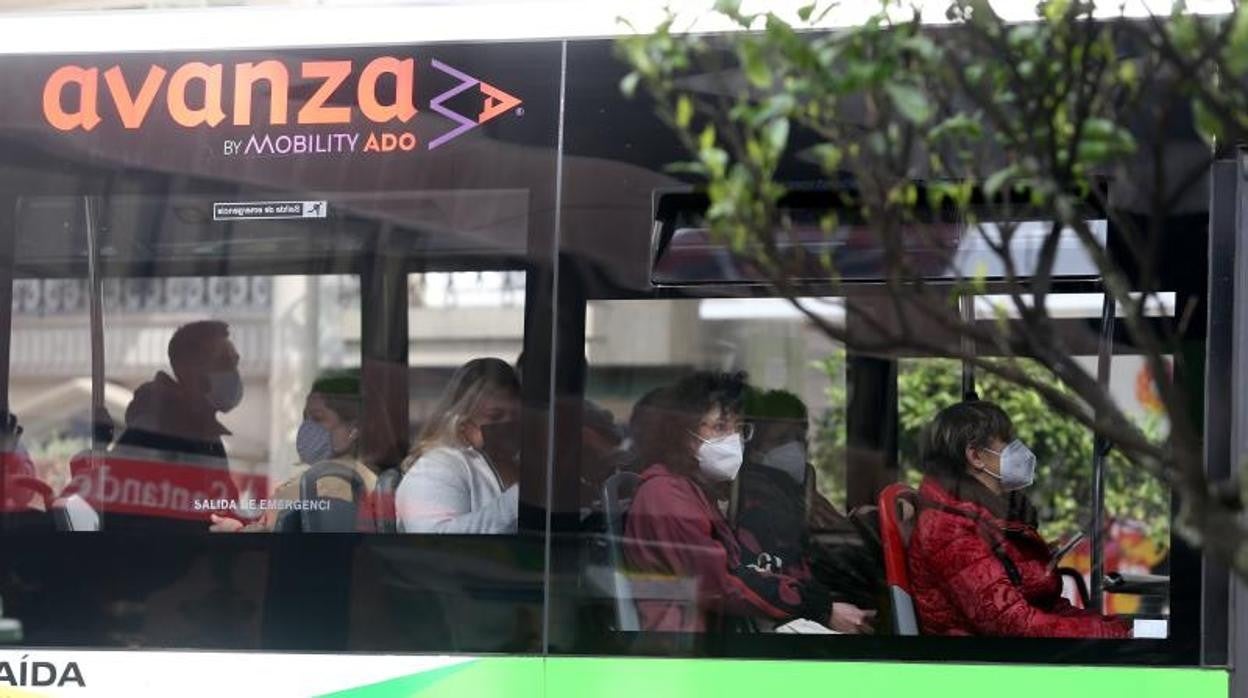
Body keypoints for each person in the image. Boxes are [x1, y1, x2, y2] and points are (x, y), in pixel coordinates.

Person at [622, 371, 875, 633]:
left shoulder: (695, 492)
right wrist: (821, 607)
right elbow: (719, 582)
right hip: (685, 652)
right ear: (682, 434)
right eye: (720, 427)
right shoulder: (667, 494)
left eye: (740, 429)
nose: (734, 440)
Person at [907, 401, 1131, 637]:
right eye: (1007, 441)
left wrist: (1121, 627)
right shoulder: (948, 528)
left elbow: (1046, 608)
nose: (1021, 450)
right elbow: (1014, 625)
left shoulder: (995, 516)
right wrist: (1110, 634)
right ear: (975, 455)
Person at [735, 389, 883, 612]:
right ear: (754, 447)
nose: (795, 447)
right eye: (781, 439)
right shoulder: (753, 502)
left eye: (799, 437)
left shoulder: (802, 492)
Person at [109, 320, 244, 528]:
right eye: (224, 362)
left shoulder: (202, 431)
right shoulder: (153, 434)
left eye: (235, 361)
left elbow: (222, 505)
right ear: (189, 371)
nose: (234, 372)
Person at [210, 370, 376, 532]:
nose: (307, 428)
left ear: (353, 430)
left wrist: (237, 532)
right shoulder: (331, 477)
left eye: (318, 419)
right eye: (306, 418)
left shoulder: (336, 482)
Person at [396, 357, 521, 534]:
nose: (509, 424)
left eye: (517, 416)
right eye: (495, 416)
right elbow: (435, 541)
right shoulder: (435, 469)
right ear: (462, 421)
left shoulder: (525, 463)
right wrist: (522, 498)